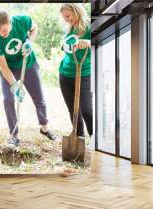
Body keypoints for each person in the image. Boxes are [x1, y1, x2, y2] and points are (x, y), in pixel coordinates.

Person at [0, 9, 56, 147]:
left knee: (39, 97)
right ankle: (14, 135)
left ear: (10, 22)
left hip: (28, 64)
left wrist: (29, 41)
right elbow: (4, 68)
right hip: (9, 69)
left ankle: (44, 127)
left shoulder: (22, 20)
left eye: (4, 31)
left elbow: (34, 28)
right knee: (8, 99)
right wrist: (14, 86)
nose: (2, 35)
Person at [59, 3, 92, 138]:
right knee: (73, 110)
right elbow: (64, 46)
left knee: (86, 110)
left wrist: (88, 43)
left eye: (68, 16)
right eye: (64, 17)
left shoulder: (90, 26)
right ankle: (78, 138)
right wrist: (63, 44)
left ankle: (96, 140)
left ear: (76, 11)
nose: (66, 19)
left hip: (85, 74)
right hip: (65, 74)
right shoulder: (69, 28)